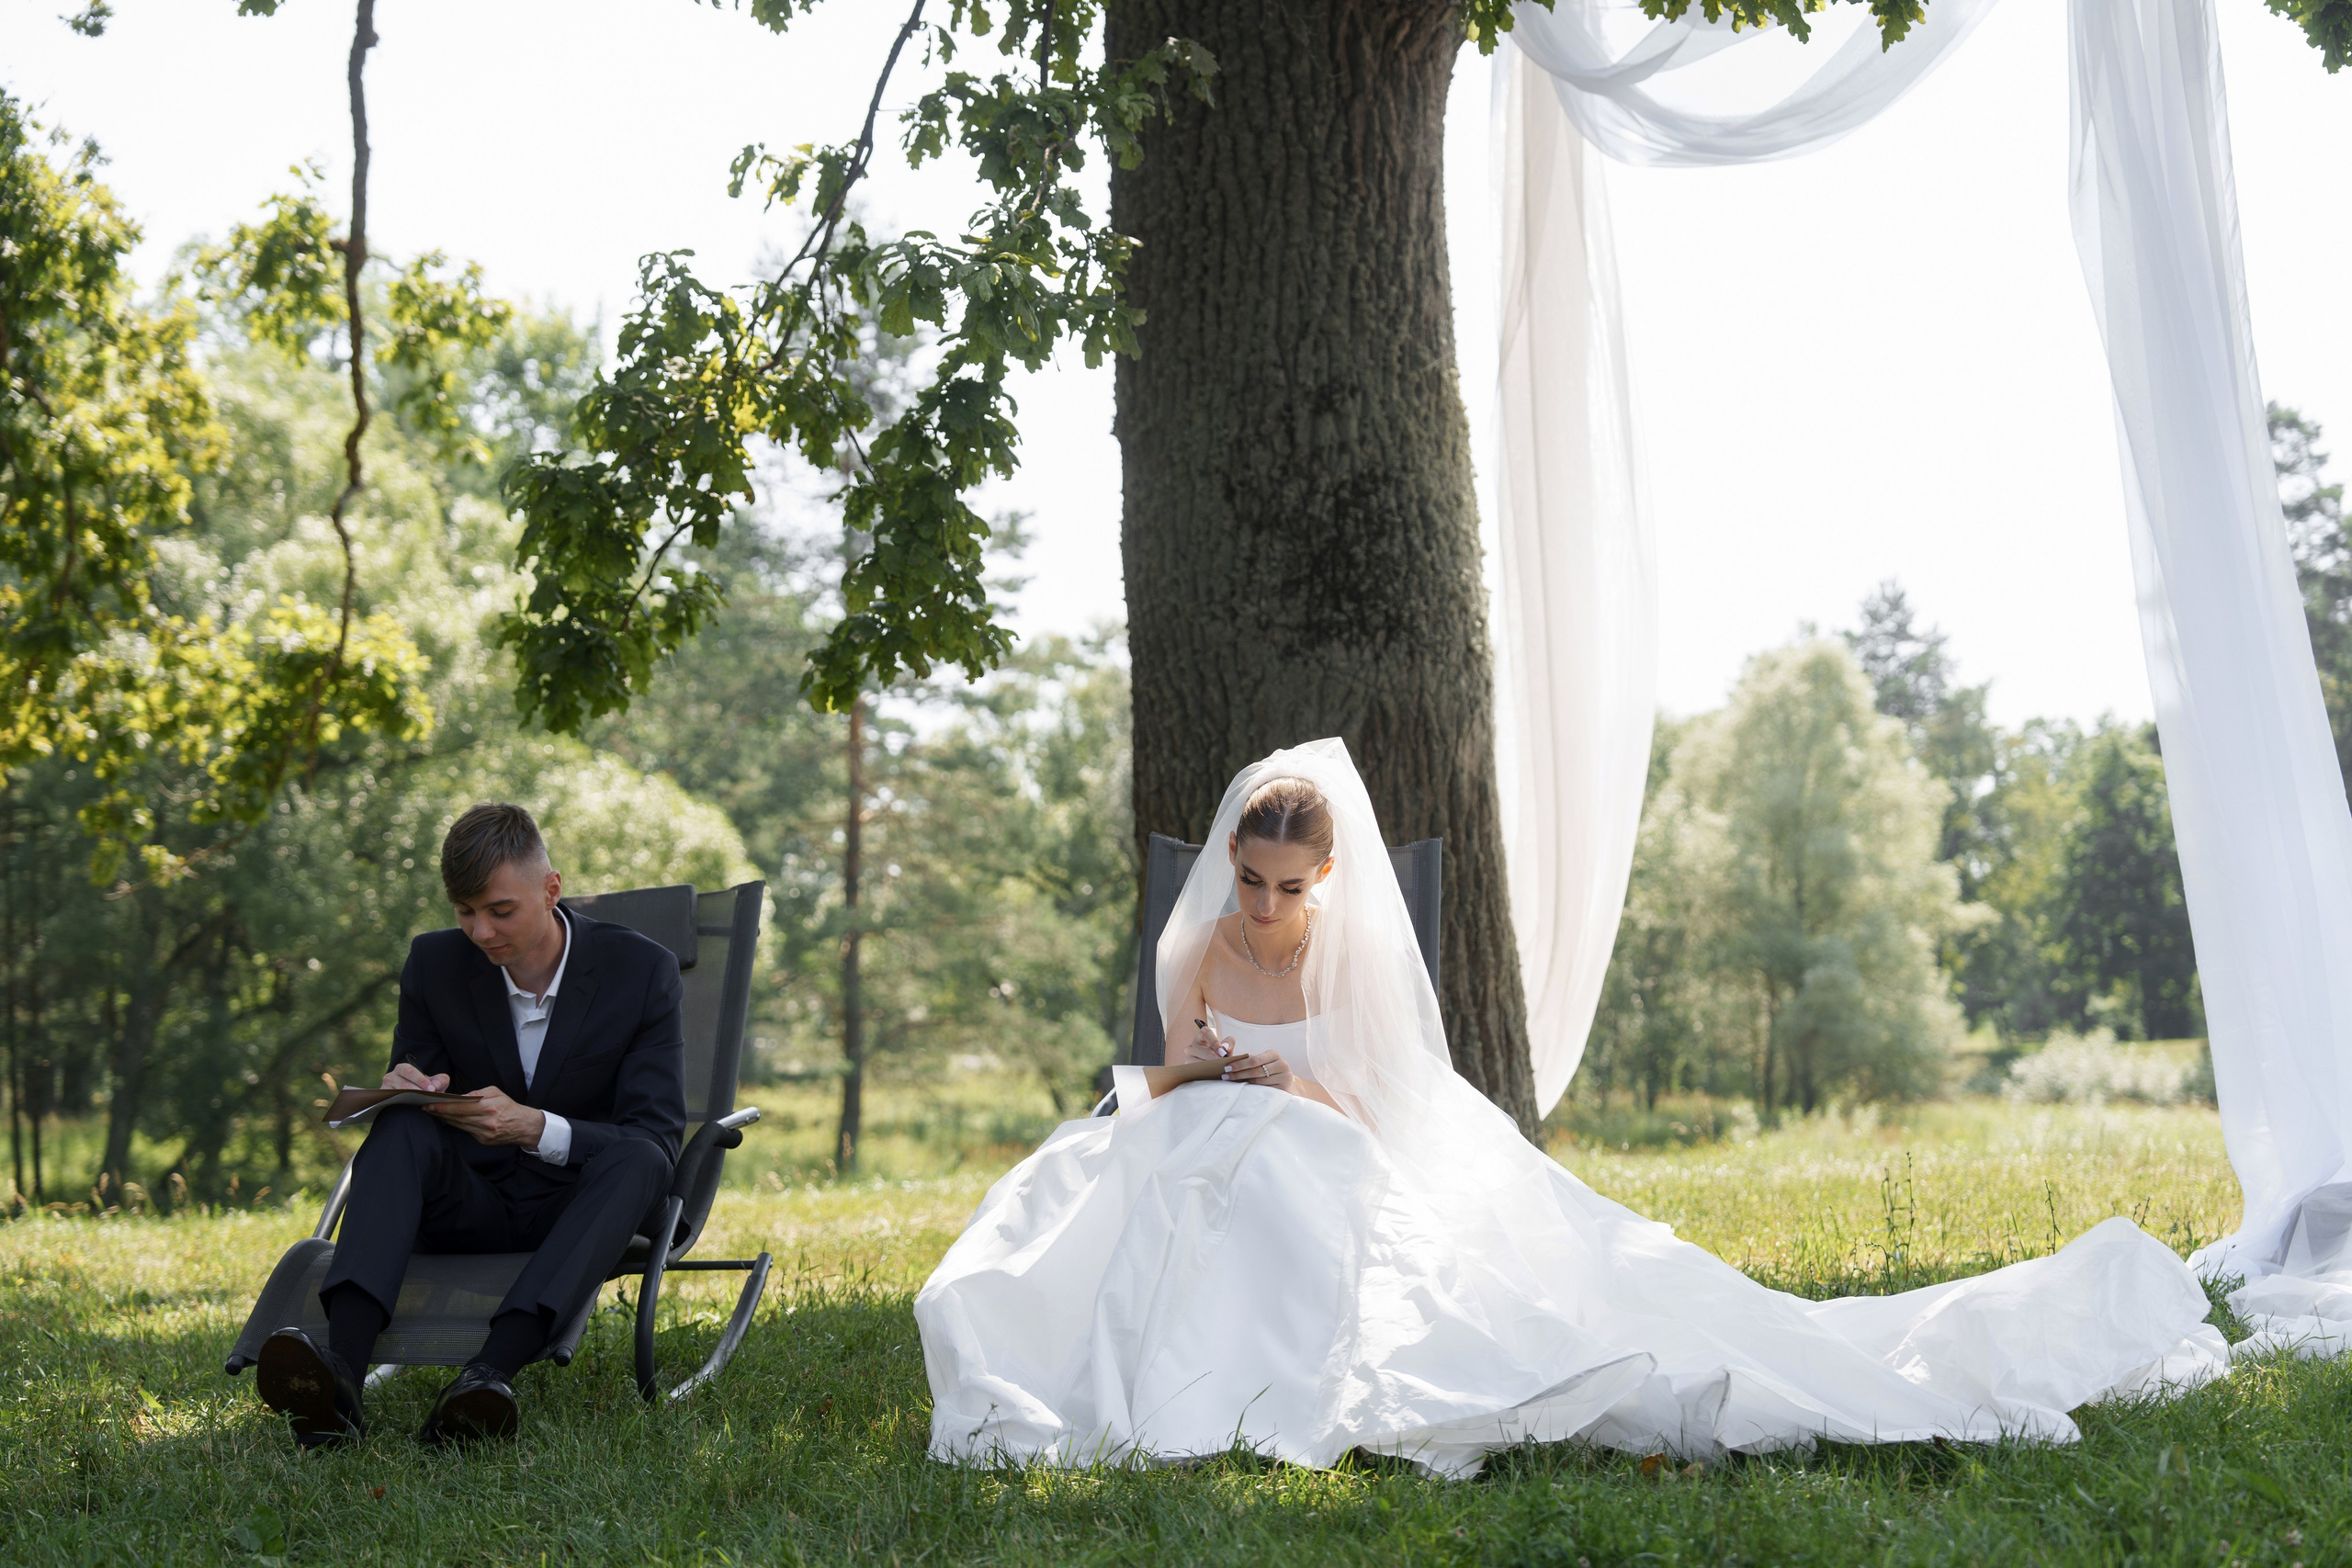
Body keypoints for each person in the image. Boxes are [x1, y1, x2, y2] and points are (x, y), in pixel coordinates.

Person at [915, 739, 2231, 1476]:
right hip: (1205, 1126)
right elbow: (1170, 1063)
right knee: (1128, 1169)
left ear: (1321, 877)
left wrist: (1284, 1081)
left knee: (1280, 1165)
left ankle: (1247, 1383)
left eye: (1279, 885)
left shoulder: (1346, 953)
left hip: (1332, 1142)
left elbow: (1379, 1102)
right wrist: (1209, 1070)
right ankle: (1142, 1384)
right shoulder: (1200, 945)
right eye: (1244, 882)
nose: (1256, 906)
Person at [254, 803, 686, 1448]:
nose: (480, 932)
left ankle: (487, 1376)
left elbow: (655, 1133)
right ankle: (340, 1372)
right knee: (399, 1131)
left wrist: (537, 1126)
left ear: (551, 889)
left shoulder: (640, 969)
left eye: (499, 910)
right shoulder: (434, 963)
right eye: (464, 911)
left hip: (577, 1210)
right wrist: (403, 1084)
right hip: (467, 1203)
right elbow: (420, 1081)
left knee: (644, 1161)